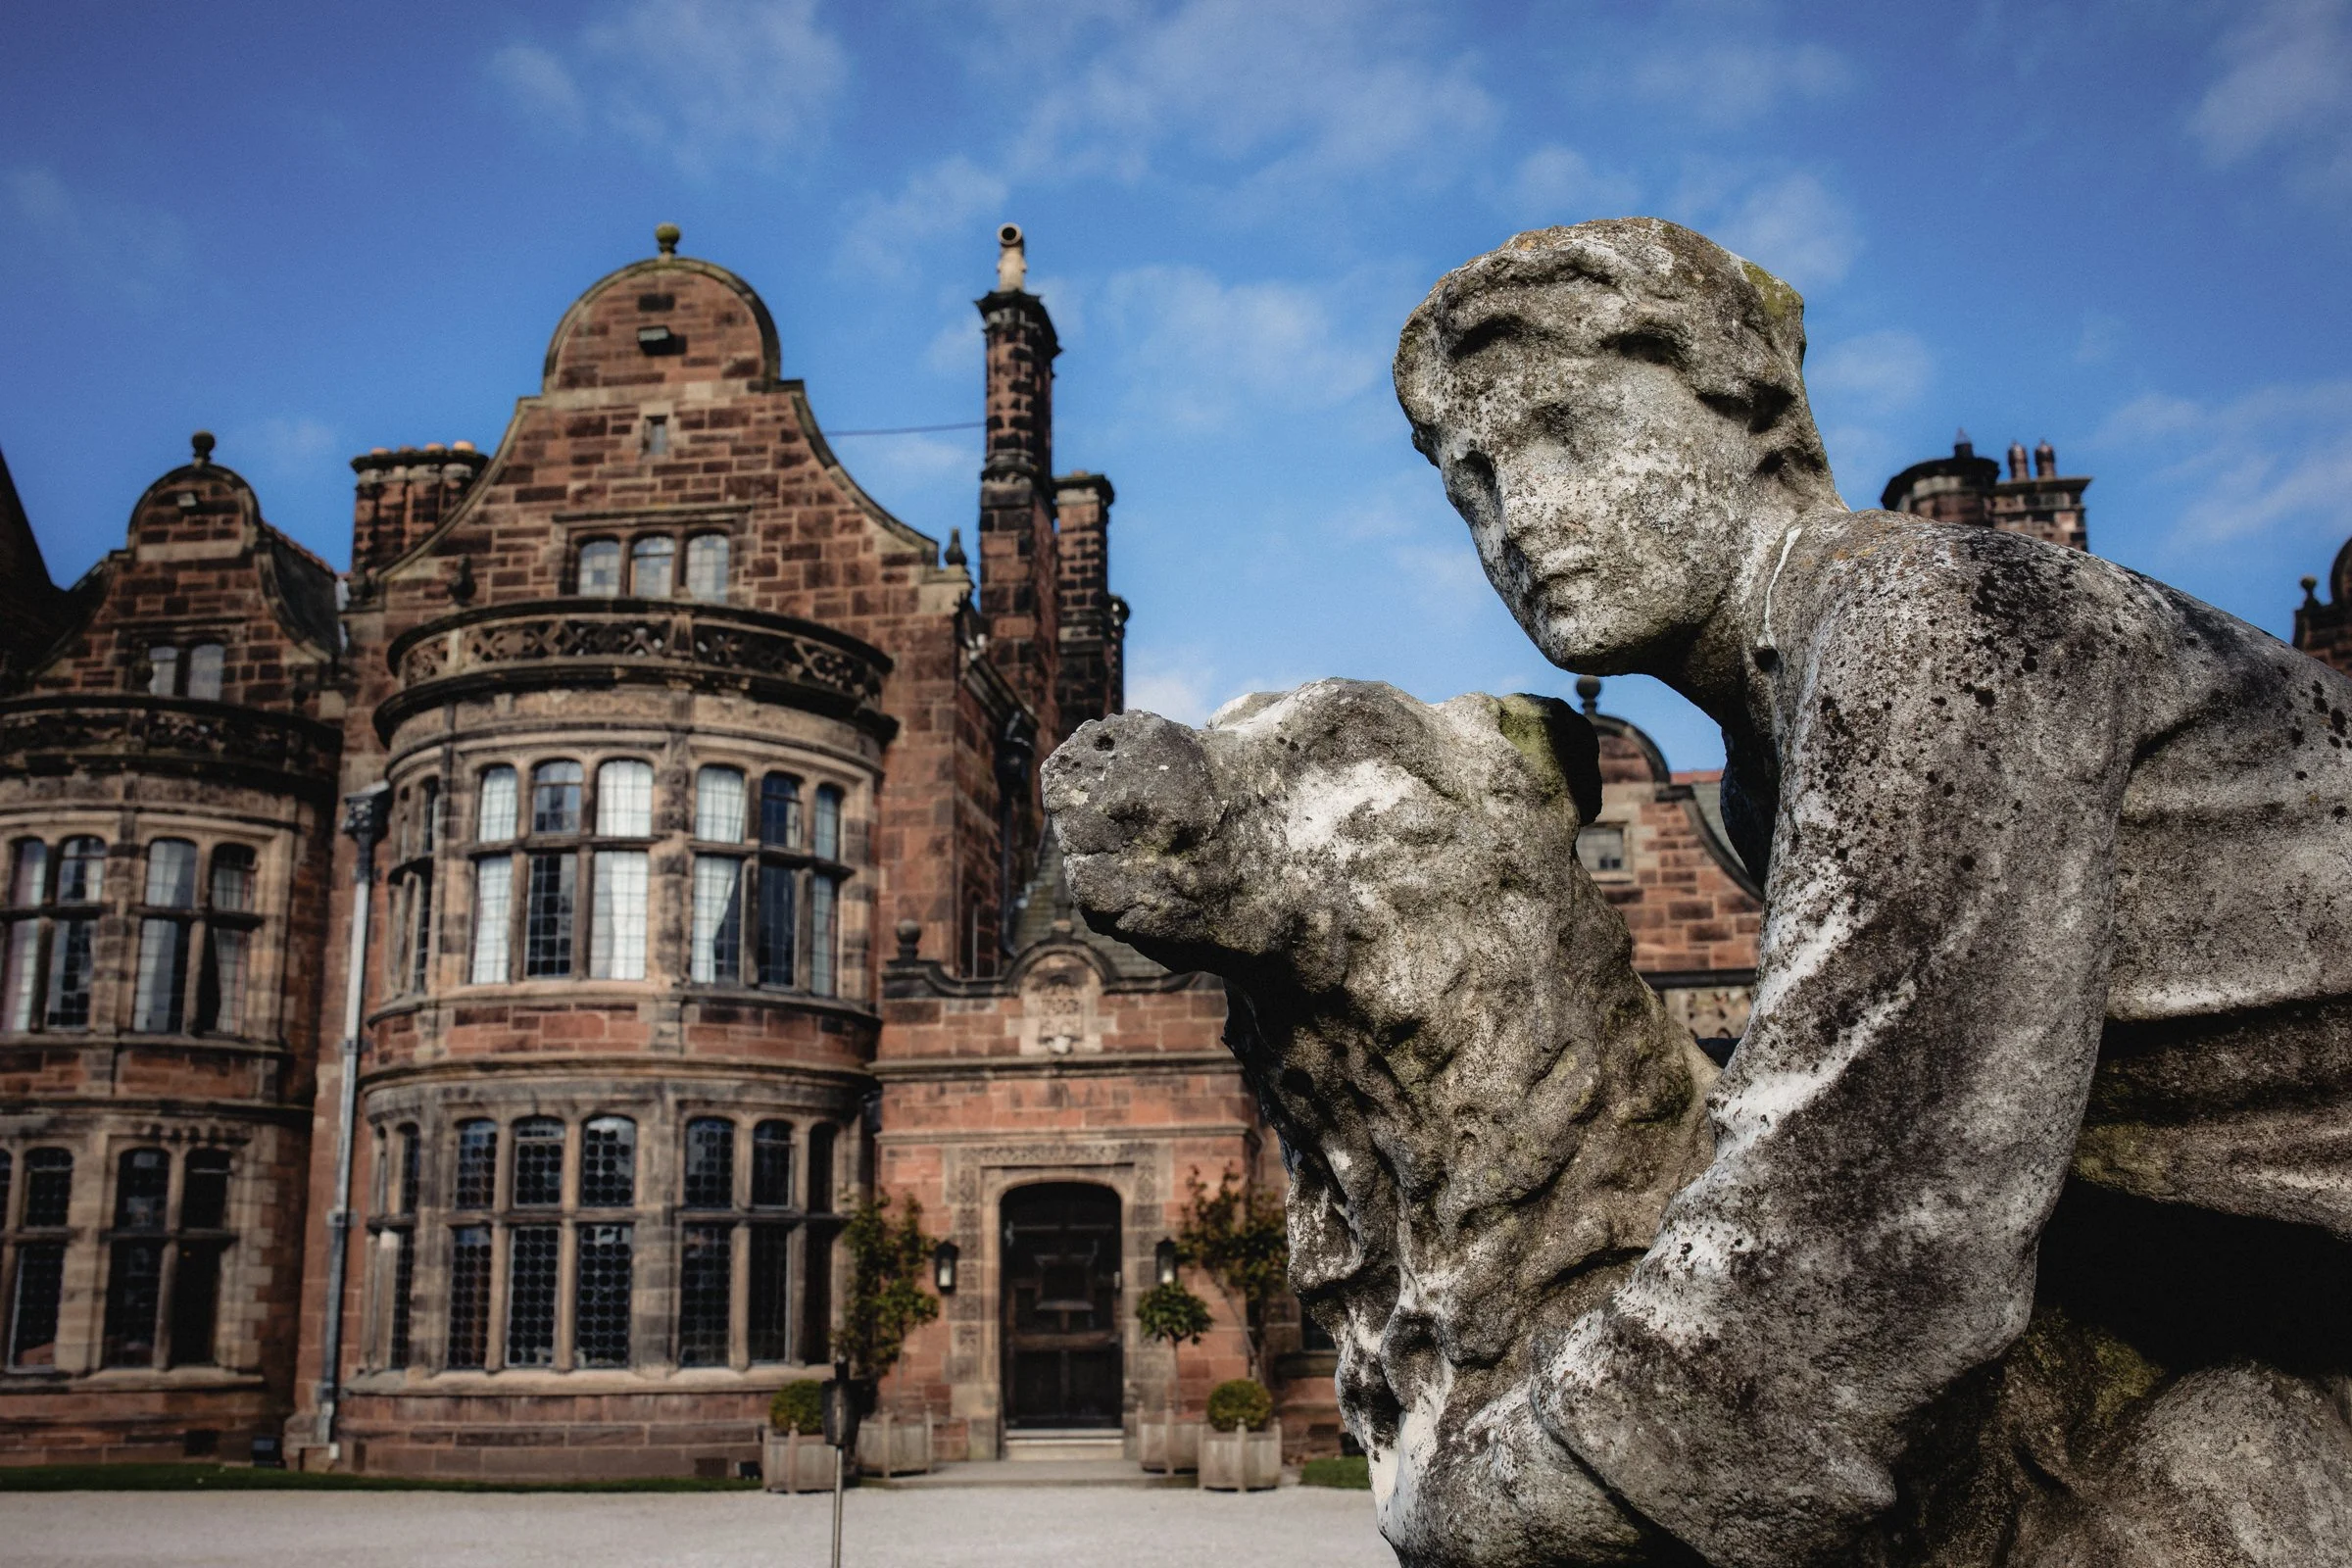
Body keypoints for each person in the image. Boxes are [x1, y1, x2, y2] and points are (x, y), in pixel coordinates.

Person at [1394, 218, 2352, 1566]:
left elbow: (1858, 1251)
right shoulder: (1766, 771)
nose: (1523, 521)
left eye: (1567, 433)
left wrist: (1472, 1496)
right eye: (1475, 487)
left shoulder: (1928, 629)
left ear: (1753, 410)